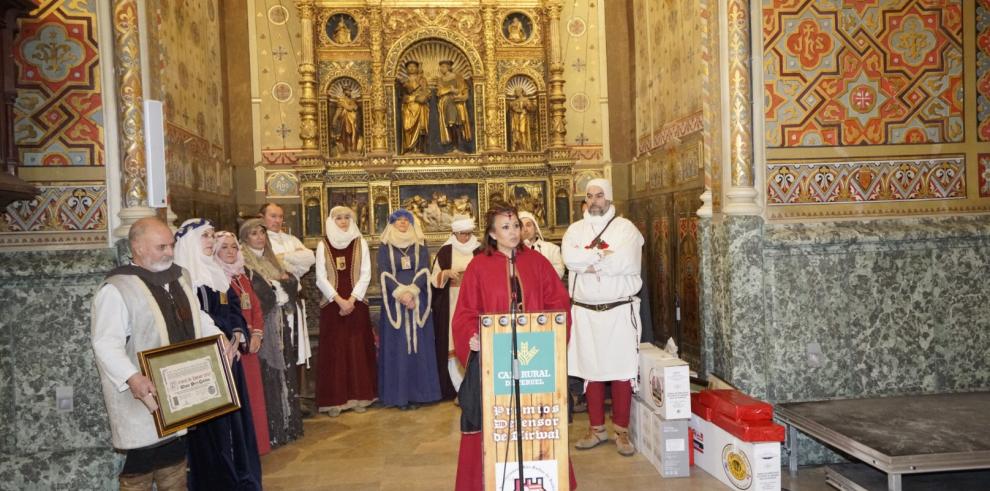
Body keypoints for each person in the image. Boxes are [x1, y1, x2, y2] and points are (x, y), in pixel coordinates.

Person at [91, 217, 225, 491]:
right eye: (161, 246)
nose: (169, 252)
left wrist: (217, 336)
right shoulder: (118, 288)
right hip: (144, 390)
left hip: (181, 388)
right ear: (137, 247)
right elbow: (105, 342)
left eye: (171, 245)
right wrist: (132, 377)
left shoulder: (179, 275)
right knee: (142, 458)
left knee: (174, 454)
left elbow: (195, 314)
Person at [451, 204, 577, 490]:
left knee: (537, 419)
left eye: (516, 226)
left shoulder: (537, 262)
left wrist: (553, 331)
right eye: (506, 227)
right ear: (492, 234)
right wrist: (473, 336)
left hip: (536, 359)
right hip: (495, 363)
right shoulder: (478, 266)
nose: (513, 232)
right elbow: (465, 313)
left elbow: (558, 304)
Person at [173, 218, 262, 489]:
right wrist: (217, 337)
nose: (211, 241)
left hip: (229, 355)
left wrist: (237, 334)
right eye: (205, 237)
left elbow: (232, 308)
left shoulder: (216, 273)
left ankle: (240, 475)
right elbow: (193, 315)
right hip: (205, 360)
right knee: (214, 429)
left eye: (213, 236)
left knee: (234, 422)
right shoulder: (183, 277)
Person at [562, 178, 644, 457]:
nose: (594, 200)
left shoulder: (625, 229)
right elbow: (569, 259)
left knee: (622, 371)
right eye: (590, 196)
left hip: (619, 311)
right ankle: (596, 429)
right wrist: (602, 257)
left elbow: (627, 262)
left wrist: (589, 260)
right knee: (590, 372)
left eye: (600, 195)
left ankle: (621, 431)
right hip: (585, 311)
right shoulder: (574, 230)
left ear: (609, 199)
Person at [240, 218, 304, 446]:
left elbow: (293, 284)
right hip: (262, 326)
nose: (259, 237)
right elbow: (262, 293)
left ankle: (286, 425)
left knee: (284, 371)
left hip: (279, 322)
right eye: (253, 234)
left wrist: (280, 282)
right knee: (268, 374)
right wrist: (278, 283)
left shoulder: (271, 259)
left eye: (261, 233)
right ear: (245, 238)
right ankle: (272, 430)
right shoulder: (244, 264)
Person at [314, 206, 377, 416]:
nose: (343, 221)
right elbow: (320, 277)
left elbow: (366, 273)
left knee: (356, 349)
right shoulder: (323, 244)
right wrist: (339, 300)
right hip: (332, 305)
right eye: (338, 218)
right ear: (331, 220)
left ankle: (361, 397)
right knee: (335, 352)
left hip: (356, 303)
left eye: (347, 218)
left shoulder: (360, 242)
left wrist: (352, 299)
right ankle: (335, 401)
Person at [214, 231, 272, 456]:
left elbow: (255, 307)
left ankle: (257, 444)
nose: (230, 252)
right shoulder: (217, 278)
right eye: (224, 248)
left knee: (254, 396)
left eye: (233, 247)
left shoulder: (242, 276)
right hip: (233, 347)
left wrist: (257, 334)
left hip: (251, 346)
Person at [377, 209, 441, 409]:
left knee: (418, 347)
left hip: (417, 299)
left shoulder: (420, 245)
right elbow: (384, 272)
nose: (403, 223)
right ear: (392, 224)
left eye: (406, 220)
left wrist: (412, 292)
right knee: (398, 348)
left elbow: (424, 270)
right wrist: (401, 294)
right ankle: (399, 396)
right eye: (399, 221)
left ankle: (421, 394)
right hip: (394, 300)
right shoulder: (384, 246)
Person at [261, 203, 313, 397]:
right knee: (280, 348)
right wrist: (291, 261)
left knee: (296, 348)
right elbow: (266, 266)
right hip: (276, 305)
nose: (277, 220)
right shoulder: (259, 240)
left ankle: (296, 396)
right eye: (273, 216)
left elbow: (308, 258)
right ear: (262, 217)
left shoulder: (290, 239)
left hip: (295, 300)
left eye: (280, 216)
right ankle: (281, 397)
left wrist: (283, 259)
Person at [429, 215, 480, 400]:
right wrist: (446, 273)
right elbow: (433, 277)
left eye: (468, 234)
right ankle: (458, 389)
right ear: (454, 233)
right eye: (461, 234)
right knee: (452, 342)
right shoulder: (445, 251)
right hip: (451, 301)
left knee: (472, 339)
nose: (465, 238)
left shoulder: (479, 249)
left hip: (474, 301)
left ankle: (473, 388)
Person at [437, 60, 472, 147]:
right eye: (441, 67)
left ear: (449, 67)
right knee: (449, 124)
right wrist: (450, 90)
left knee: (457, 123)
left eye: (444, 66)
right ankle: (453, 145)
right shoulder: (440, 80)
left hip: (457, 102)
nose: (442, 68)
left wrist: (457, 93)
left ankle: (458, 145)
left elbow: (463, 90)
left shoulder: (458, 77)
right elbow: (439, 92)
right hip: (445, 103)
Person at [519, 210, 564, 278]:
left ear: (536, 228)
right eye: (521, 226)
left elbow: (559, 272)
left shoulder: (552, 249)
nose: (525, 229)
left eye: (528, 225)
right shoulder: (513, 251)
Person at [400, 60, 431, 153]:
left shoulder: (422, 80)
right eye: (409, 66)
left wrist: (422, 96)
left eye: (414, 66)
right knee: (407, 127)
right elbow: (402, 95)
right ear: (406, 69)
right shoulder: (403, 81)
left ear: (417, 68)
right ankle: (409, 148)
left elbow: (427, 93)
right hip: (408, 108)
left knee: (420, 128)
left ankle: (418, 149)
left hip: (419, 107)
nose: (412, 68)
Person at [508, 87, 534, 151]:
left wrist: (527, 106)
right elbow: (509, 111)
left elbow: (532, 108)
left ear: (521, 92)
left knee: (523, 132)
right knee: (516, 132)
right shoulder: (513, 102)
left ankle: (525, 147)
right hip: (515, 119)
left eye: (517, 91)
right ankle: (517, 147)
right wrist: (512, 108)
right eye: (515, 91)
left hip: (523, 117)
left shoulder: (526, 100)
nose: (516, 93)